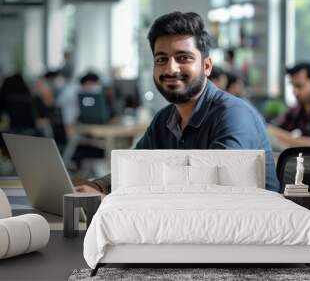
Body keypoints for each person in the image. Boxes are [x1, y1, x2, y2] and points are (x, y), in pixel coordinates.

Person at [76, 11, 279, 194]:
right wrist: (97, 187)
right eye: (161, 59)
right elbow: (134, 168)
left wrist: (111, 201)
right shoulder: (164, 119)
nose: (171, 69)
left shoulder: (234, 114)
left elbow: (212, 190)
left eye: (183, 57)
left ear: (207, 66)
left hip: (244, 231)